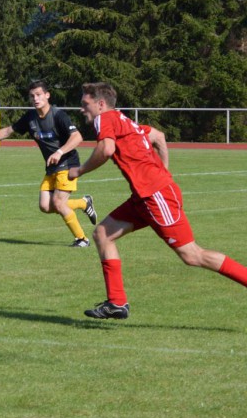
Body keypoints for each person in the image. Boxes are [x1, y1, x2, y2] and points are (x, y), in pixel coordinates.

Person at [67, 81, 247, 319]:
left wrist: (79, 171)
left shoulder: (106, 119)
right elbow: (159, 137)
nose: (82, 109)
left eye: (85, 104)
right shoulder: (126, 121)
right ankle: (117, 302)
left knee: (192, 255)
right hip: (145, 196)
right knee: (102, 233)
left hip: (154, 195)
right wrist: (162, 174)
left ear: (100, 104)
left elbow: (107, 149)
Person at [0, 80, 97, 246]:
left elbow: (77, 137)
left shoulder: (58, 115)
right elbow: (7, 131)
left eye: (39, 95)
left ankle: (82, 239)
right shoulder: (30, 118)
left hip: (68, 163)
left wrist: (59, 151)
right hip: (52, 167)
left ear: (47, 95)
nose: (35, 99)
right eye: (32, 96)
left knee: (58, 203)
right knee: (45, 206)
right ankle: (84, 203)